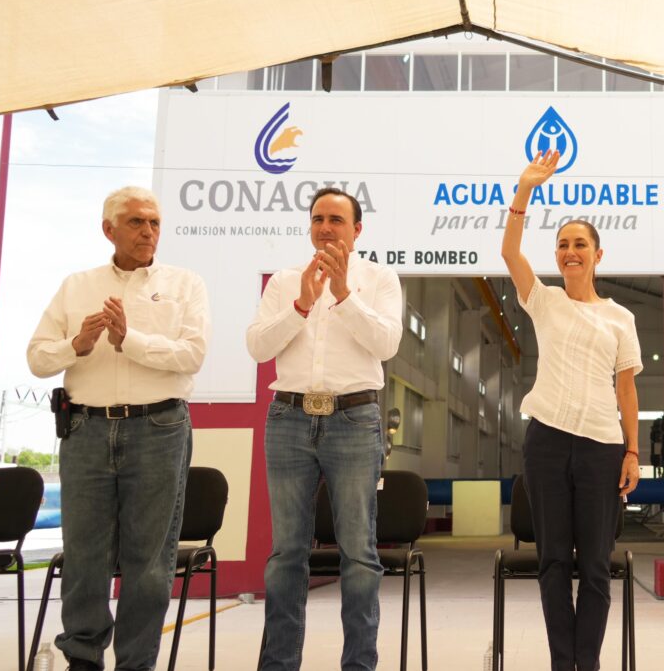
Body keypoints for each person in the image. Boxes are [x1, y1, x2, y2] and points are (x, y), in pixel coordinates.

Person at [27, 186, 210, 670]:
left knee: (149, 564)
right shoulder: (76, 285)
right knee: (83, 561)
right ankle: (82, 662)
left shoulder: (185, 283)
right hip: (85, 430)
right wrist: (78, 344)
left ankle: (136, 664)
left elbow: (191, 355)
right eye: (135, 222)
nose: (148, 231)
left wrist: (130, 339)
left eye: (153, 222)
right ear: (108, 229)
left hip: (159, 428)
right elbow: (37, 358)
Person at [247, 187, 403, 671]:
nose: (325, 227)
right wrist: (300, 305)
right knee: (286, 555)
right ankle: (279, 664)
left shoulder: (379, 278)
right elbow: (257, 347)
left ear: (358, 230)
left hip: (354, 421)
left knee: (358, 552)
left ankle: (359, 665)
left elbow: (387, 343)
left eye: (337, 219)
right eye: (318, 218)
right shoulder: (285, 281)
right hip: (288, 418)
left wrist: (342, 296)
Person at [501, 150, 642, 671]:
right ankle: (565, 664)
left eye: (580, 244)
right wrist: (525, 189)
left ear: (598, 255)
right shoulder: (545, 301)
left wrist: (632, 451)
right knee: (554, 562)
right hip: (547, 443)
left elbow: (628, 391)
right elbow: (511, 252)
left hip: (603, 447)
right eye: (562, 245)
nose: (570, 252)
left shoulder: (621, 317)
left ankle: (589, 663)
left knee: (597, 569)